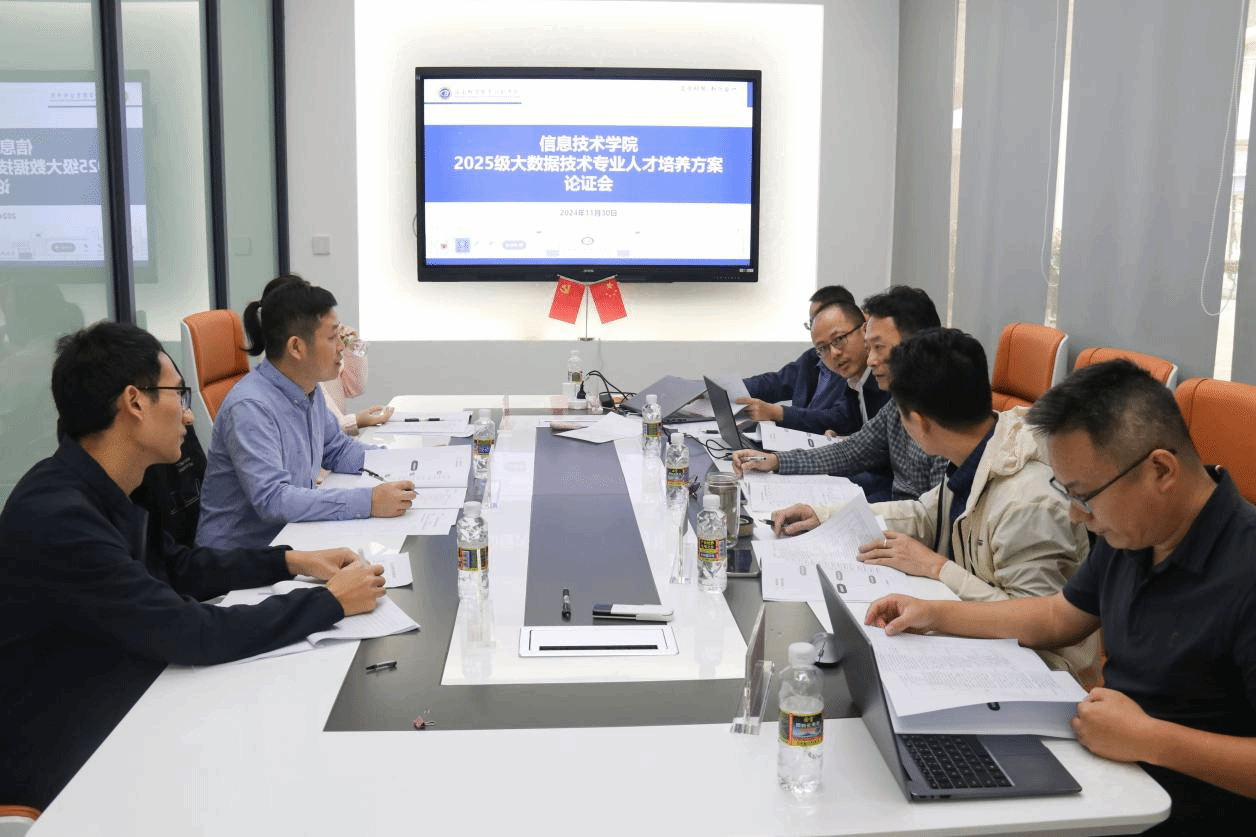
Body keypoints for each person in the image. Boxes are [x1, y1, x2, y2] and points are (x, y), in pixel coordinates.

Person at [0, 321, 388, 810]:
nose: (188, 414)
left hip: (123, 701)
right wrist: (329, 602)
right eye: (178, 394)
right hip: (71, 758)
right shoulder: (60, 519)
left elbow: (178, 566)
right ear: (134, 402)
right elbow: (190, 631)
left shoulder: (99, 486)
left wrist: (290, 561)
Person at [864, 360, 1256, 833]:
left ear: (1161, 470)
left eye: (1084, 495)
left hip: (1175, 808)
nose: (1075, 515)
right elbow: (1057, 616)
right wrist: (934, 614)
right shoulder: (1136, 532)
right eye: (1065, 491)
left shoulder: (1243, 567)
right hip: (1106, 769)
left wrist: (1151, 739)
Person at [772, 328, 1097, 678]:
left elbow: (1035, 624)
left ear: (919, 422)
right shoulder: (979, 447)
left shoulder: (1027, 503)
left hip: (1038, 671)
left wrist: (936, 568)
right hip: (982, 640)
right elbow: (923, 515)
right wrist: (825, 516)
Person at [197, 277, 415, 549]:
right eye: (332, 337)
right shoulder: (250, 407)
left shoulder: (308, 389)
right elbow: (273, 500)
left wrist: (409, 463)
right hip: (241, 558)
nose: (341, 346)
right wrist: (369, 502)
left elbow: (338, 450)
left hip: (291, 539)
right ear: (296, 347)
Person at [733, 285, 948, 503]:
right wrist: (776, 461)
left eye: (879, 347)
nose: (872, 359)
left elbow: (931, 513)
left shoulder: (945, 413)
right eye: (823, 348)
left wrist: (837, 513)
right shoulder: (895, 405)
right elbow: (851, 451)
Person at [738, 297, 891, 436]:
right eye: (823, 348)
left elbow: (879, 447)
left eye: (839, 339)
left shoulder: (888, 381)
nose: (834, 353)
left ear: (865, 330)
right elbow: (847, 427)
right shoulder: (853, 383)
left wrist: (776, 413)